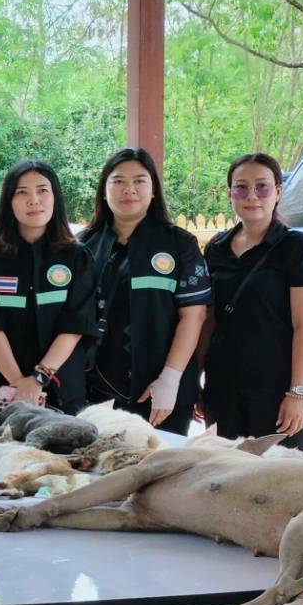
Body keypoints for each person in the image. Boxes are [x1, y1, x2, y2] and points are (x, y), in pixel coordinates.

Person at [78, 148, 210, 434]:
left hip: (160, 391)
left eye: (139, 180)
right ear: (104, 191)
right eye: (118, 181)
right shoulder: (83, 247)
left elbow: (194, 316)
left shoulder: (179, 244)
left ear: (153, 191)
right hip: (95, 391)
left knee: (161, 460)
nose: (130, 189)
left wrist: (170, 378)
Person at [200, 153, 303, 452]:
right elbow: (207, 322)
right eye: (241, 187)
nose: (252, 196)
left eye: (262, 187)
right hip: (223, 388)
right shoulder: (216, 248)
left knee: (281, 476)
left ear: (278, 192)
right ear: (230, 194)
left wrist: (297, 394)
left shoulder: (297, 247)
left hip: (277, 390)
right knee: (225, 472)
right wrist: (195, 381)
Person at [0, 160, 97, 422]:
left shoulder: (78, 257)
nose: (34, 200)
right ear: (9, 202)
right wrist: (19, 385)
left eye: (42, 190)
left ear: (55, 197)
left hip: (61, 391)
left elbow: (75, 326)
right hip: (0, 390)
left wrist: (38, 379)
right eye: (22, 192)